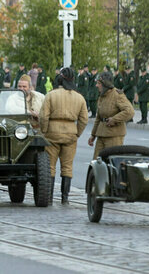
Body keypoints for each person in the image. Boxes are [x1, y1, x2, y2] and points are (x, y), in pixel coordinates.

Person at [38, 67, 88, 205]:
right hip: (71, 133)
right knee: (67, 166)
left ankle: (49, 196)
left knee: (51, 166)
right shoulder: (79, 97)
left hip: (52, 133)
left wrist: (44, 131)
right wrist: (77, 132)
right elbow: (84, 119)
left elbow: (43, 116)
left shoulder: (51, 95)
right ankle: (65, 198)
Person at [88, 71, 134, 159]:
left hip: (114, 136)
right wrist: (93, 135)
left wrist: (114, 119)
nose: (96, 86)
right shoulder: (102, 96)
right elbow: (99, 117)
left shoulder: (117, 95)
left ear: (105, 84)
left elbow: (130, 111)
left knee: (111, 164)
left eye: (98, 83)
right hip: (101, 135)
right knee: (96, 163)